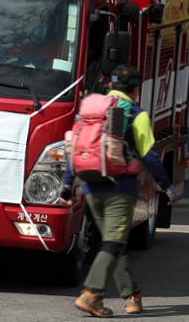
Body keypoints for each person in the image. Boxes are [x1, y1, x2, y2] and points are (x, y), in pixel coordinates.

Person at [61, 64, 173, 317]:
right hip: (119, 189)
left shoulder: (91, 110)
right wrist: (165, 184)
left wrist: (67, 185)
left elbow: (75, 147)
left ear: (110, 86)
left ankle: (132, 296)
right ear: (136, 90)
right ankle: (91, 294)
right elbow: (149, 155)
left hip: (90, 186)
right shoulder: (136, 114)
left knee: (115, 243)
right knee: (113, 243)